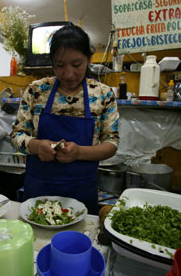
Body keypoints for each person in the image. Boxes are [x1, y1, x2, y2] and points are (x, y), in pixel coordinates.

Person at [10, 25, 119, 215]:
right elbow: (16, 135)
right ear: (52, 63)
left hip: (81, 191)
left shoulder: (103, 94)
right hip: (39, 190)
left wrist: (78, 153)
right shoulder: (36, 91)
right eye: (60, 65)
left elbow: (111, 143)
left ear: (89, 59)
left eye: (77, 65)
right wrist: (35, 146)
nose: (69, 74)